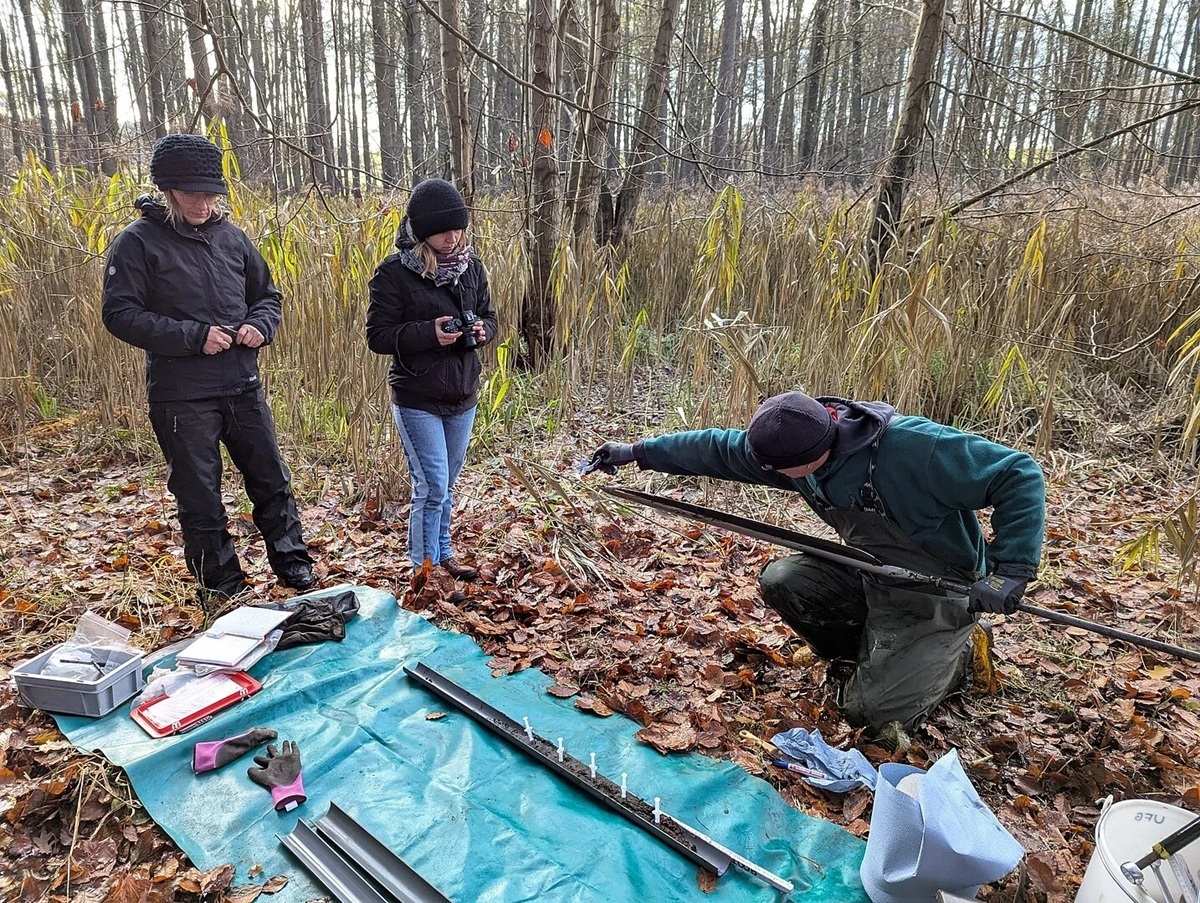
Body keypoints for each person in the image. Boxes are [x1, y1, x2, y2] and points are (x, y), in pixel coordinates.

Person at [587, 391, 1045, 732]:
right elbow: (716, 449)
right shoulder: (786, 445)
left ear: (816, 450)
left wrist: (1012, 571)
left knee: (871, 715)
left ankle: (957, 656)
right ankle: (876, 652)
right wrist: (636, 453)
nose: (769, 475)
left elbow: (1017, 473)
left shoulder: (914, 448)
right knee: (784, 578)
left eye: (779, 472)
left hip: (940, 592)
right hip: (869, 572)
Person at [102, 133, 315, 603]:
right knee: (200, 496)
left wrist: (261, 325)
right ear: (168, 190)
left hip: (242, 384)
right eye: (192, 192)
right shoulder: (136, 244)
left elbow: (267, 296)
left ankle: (294, 566)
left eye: (210, 192)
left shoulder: (232, 237)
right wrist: (195, 337)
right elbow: (119, 314)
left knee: (271, 479)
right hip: (181, 394)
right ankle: (222, 589)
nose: (203, 202)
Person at [365, 178, 497, 580]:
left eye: (458, 228)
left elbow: (491, 317)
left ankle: (443, 553)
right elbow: (377, 337)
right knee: (432, 485)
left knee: (447, 484)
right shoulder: (393, 274)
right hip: (417, 396)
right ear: (422, 230)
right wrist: (429, 333)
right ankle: (424, 569)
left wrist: (481, 332)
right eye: (443, 230)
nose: (452, 237)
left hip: (463, 393)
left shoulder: (471, 266)